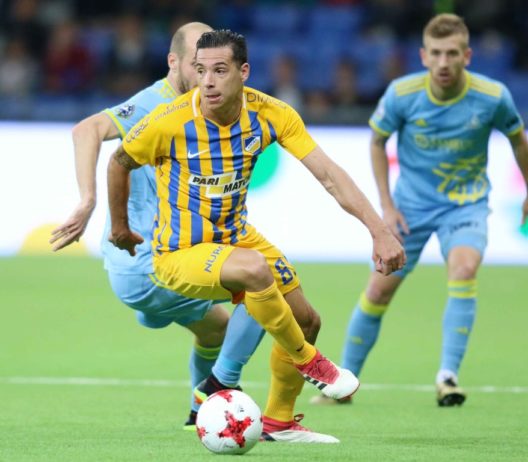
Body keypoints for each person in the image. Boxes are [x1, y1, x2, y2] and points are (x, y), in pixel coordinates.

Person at [107, 29, 406, 440]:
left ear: (243, 72)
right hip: (178, 251)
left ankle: (279, 422)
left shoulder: (271, 114)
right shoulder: (168, 121)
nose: (208, 81)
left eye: (219, 70)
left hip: (235, 237)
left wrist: (379, 231)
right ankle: (304, 362)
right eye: (200, 70)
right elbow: (119, 161)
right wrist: (119, 227)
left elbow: (330, 175)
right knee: (255, 270)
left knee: (306, 319)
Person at [49, 22, 265, 431]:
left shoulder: (200, 106)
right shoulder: (156, 103)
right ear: (173, 62)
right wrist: (88, 200)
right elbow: (86, 129)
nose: (205, 74)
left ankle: (198, 412)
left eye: (212, 65)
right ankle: (224, 394)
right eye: (196, 65)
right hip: (146, 262)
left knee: (217, 331)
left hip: (159, 259)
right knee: (264, 286)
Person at [312, 13, 528, 407]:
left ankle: (447, 376)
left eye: (452, 53)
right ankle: (344, 384)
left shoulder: (493, 96)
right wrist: (387, 206)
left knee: (464, 269)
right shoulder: (402, 94)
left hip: (465, 207)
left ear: (467, 56)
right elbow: (377, 141)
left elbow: (518, 140)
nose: (443, 62)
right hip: (409, 210)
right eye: (436, 53)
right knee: (378, 291)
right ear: (423, 56)